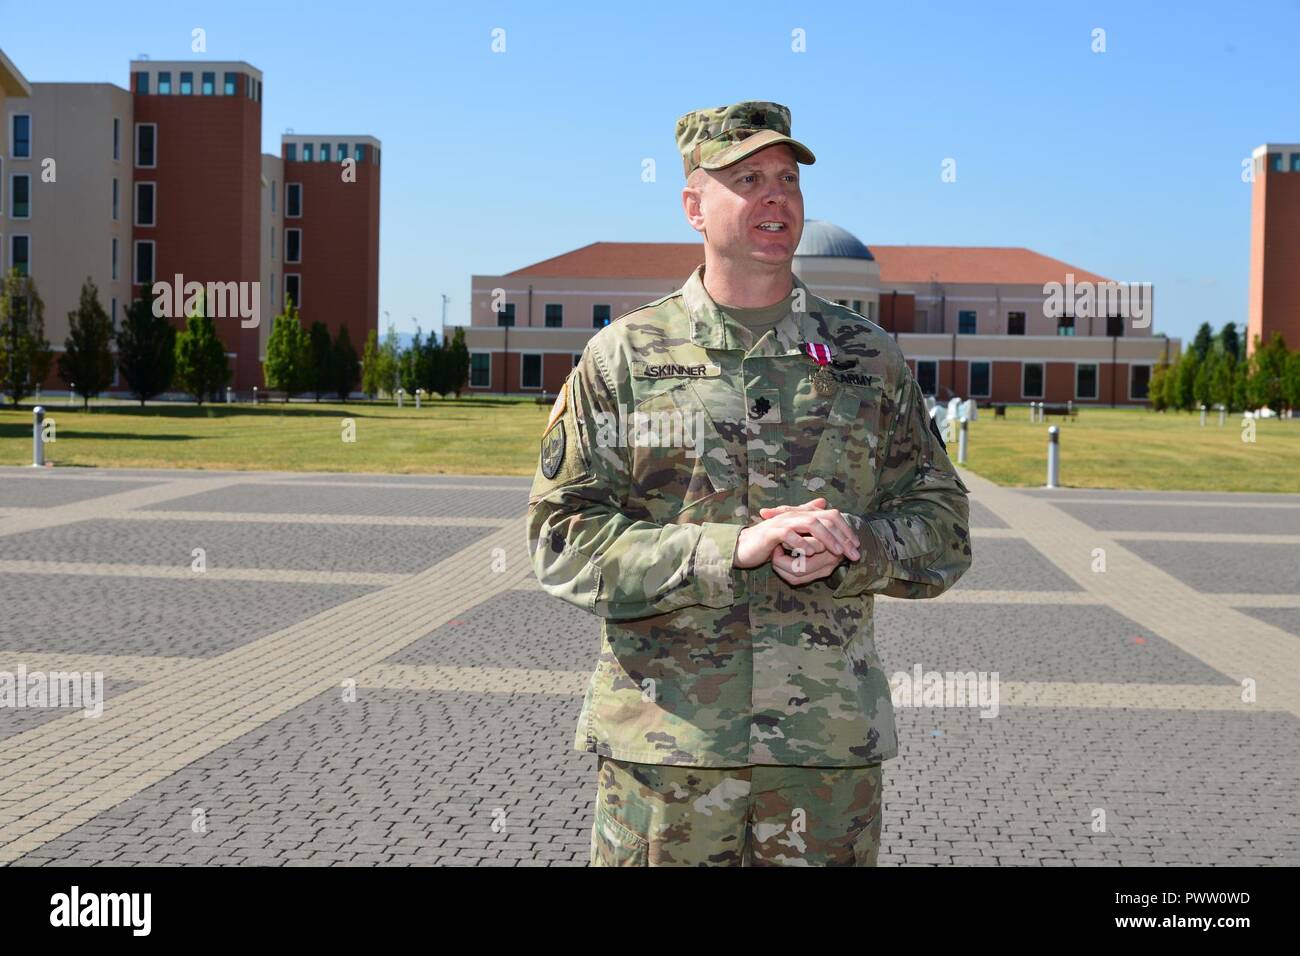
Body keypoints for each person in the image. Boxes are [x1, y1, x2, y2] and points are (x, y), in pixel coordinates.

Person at [526, 100, 971, 866]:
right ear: (694, 206)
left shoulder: (869, 359)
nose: (776, 197)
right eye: (747, 179)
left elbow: (945, 526)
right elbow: (562, 540)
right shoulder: (622, 359)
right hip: (668, 755)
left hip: (824, 758)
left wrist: (859, 544)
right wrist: (727, 550)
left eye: (787, 179)